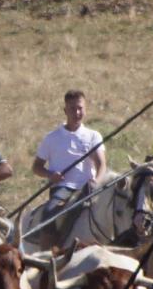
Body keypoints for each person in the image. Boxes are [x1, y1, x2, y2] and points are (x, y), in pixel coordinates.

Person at [29, 90, 105, 237]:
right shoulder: (51, 138)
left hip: (88, 188)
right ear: (65, 110)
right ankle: (49, 251)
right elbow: (36, 167)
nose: (77, 112)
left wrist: (97, 181)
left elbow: (101, 164)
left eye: (80, 108)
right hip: (62, 189)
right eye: (72, 109)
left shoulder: (93, 136)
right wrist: (50, 175)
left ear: (85, 109)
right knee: (49, 214)